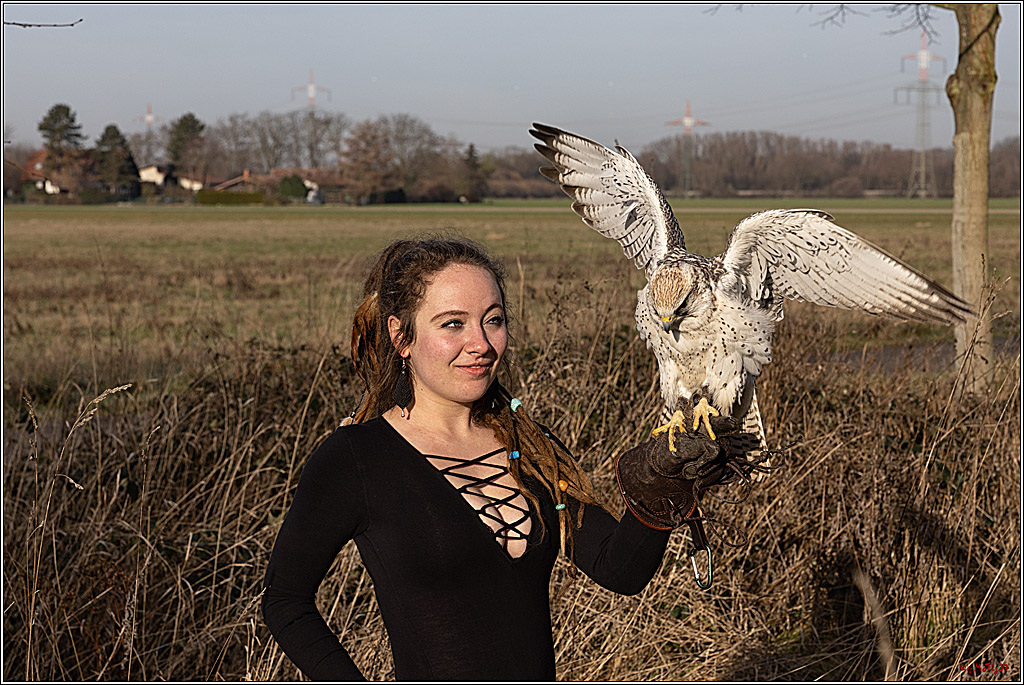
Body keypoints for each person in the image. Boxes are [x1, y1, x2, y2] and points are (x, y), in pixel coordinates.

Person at [261, 236, 727, 681]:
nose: (481, 344)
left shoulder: (531, 445)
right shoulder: (356, 458)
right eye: (452, 324)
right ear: (401, 336)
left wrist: (662, 491)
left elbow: (618, 569)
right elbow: (285, 601)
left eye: (494, 320)